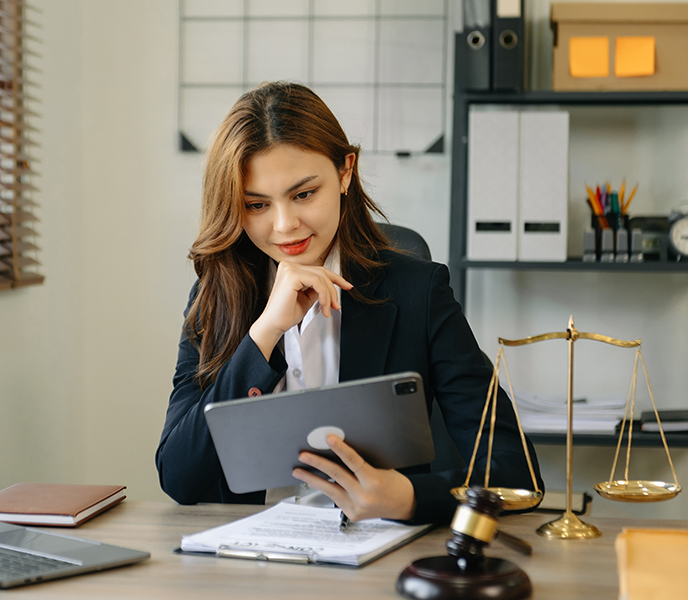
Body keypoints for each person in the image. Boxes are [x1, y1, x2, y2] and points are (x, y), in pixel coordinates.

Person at [156, 81, 542, 525]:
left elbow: (518, 474)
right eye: (257, 204)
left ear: (345, 173)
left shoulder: (420, 292)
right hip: (249, 563)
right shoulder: (215, 297)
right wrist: (262, 334)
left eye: (303, 194)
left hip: (374, 562)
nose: (285, 226)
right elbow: (178, 477)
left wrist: (411, 497)